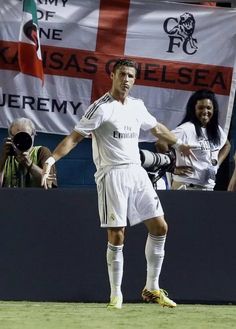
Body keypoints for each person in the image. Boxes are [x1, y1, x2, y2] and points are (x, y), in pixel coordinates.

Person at [41, 58, 194, 309]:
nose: (126, 80)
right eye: (122, 74)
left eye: (131, 76)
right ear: (112, 75)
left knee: (160, 227)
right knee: (117, 233)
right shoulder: (100, 108)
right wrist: (50, 160)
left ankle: (151, 288)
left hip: (137, 172)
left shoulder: (137, 106)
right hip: (111, 174)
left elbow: (156, 128)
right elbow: (74, 138)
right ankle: (116, 295)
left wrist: (179, 144)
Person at [162, 89, 230, 190]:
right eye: (200, 108)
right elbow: (161, 142)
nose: (205, 111)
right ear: (193, 109)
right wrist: (171, 168)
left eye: (208, 108)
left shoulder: (215, 129)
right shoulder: (186, 129)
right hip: (186, 187)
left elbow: (226, 145)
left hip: (208, 188)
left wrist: (217, 164)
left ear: (213, 109)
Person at [0, 117, 57, 188]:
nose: (22, 141)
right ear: (10, 138)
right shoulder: (6, 155)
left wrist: (29, 164)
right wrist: (2, 160)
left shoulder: (41, 152)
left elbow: (49, 184)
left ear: (33, 136)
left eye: (25, 137)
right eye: (17, 137)